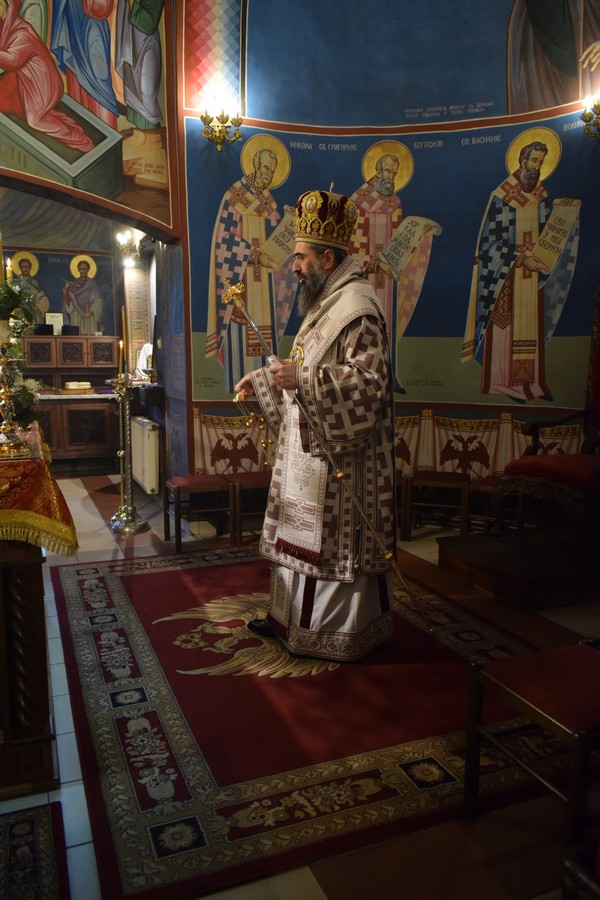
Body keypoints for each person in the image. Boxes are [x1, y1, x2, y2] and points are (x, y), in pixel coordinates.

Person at [234, 188, 396, 662]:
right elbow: (306, 365)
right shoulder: (326, 304)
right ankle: (287, 620)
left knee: (326, 542)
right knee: (297, 535)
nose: (295, 267)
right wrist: (265, 379)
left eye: (301, 257)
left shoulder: (358, 308)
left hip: (342, 462)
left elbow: (369, 384)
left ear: (327, 258)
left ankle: (330, 632)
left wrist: (300, 378)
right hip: (311, 455)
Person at [462, 136, 579, 402]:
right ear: (522, 160)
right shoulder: (503, 196)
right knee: (506, 329)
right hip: (506, 277)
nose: (536, 167)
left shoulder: (540, 196)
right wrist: (519, 258)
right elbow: (489, 244)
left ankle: (531, 383)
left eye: (541, 162)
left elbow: (548, 234)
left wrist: (563, 215)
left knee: (530, 326)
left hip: (532, 276)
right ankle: (503, 384)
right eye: (533, 160)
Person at [206, 135, 295, 393]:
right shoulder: (235, 196)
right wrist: (253, 255)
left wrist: (288, 223)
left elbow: (277, 244)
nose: (269, 174)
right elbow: (224, 240)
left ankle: (267, 390)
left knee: (264, 336)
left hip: (265, 288)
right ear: (255, 165)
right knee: (240, 336)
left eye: (273, 170)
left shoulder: (269, 202)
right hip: (242, 280)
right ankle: (240, 387)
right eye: (266, 168)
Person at [0, 0, 94, 152]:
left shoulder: (21, 32)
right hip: (23, 80)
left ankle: (83, 143)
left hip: (43, 85)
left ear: (9, 7)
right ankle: (62, 121)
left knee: (36, 121)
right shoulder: (6, 26)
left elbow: (13, 61)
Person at [63, 256, 104, 335]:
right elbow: (69, 302)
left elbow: (98, 301)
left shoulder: (92, 284)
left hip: (89, 315)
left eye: (85, 269)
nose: (83, 271)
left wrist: (91, 311)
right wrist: (66, 291)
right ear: (78, 270)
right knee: (77, 335)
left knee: (91, 335)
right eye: (81, 269)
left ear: (88, 269)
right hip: (76, 314)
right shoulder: (73, 284)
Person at [12, 253, 49, 325]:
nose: (26, 269)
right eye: (23, 266)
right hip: (22, 309)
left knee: (36, 323)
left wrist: (37, 305)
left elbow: (40, 295)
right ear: (20, 267)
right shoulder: (17, 282)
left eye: (27, 267)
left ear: (30, 268)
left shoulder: (34, 282)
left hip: (33, 308)